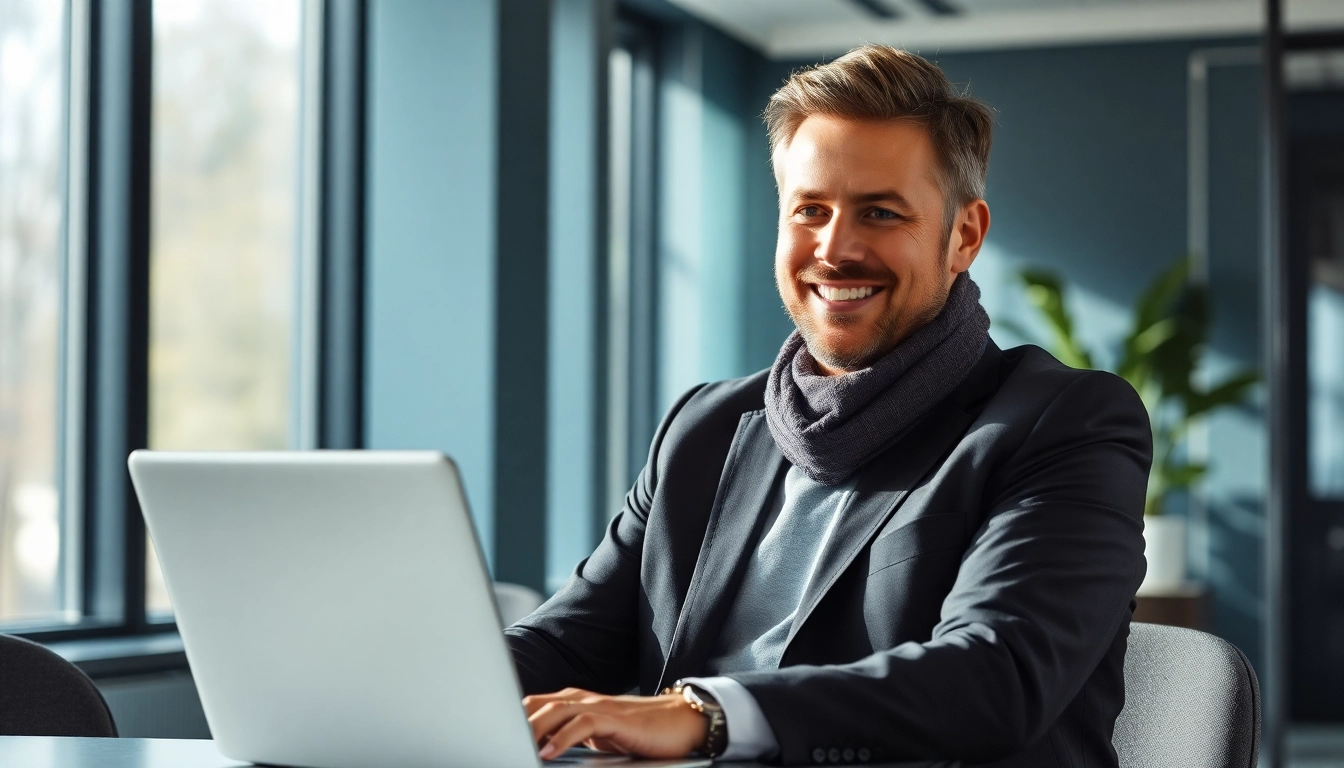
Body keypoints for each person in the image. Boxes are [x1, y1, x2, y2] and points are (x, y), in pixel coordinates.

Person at [508, 45, 1151, 767]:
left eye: (880, 212)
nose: (835, 248)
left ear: (963, 236)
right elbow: (571, 640)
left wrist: (704, 715)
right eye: (809, 210)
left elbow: (993, 676)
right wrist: (416, 684)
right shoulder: (708, 426)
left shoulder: (1063, 422)